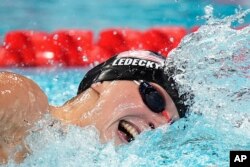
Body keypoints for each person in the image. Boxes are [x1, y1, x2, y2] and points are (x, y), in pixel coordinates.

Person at [0, 50, 189, 163]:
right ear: (104, 81)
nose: (159, 126)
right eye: (155, 99)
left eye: (170, 125)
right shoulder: (26, 102)